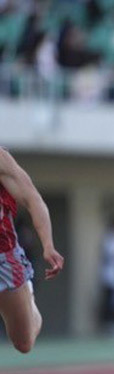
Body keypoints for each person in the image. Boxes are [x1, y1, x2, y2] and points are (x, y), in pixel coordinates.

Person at [0, 147, 64, 353]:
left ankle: (29, 298)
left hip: (3, 256)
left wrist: (48, 245)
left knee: (23, 342)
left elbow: (32, 199)